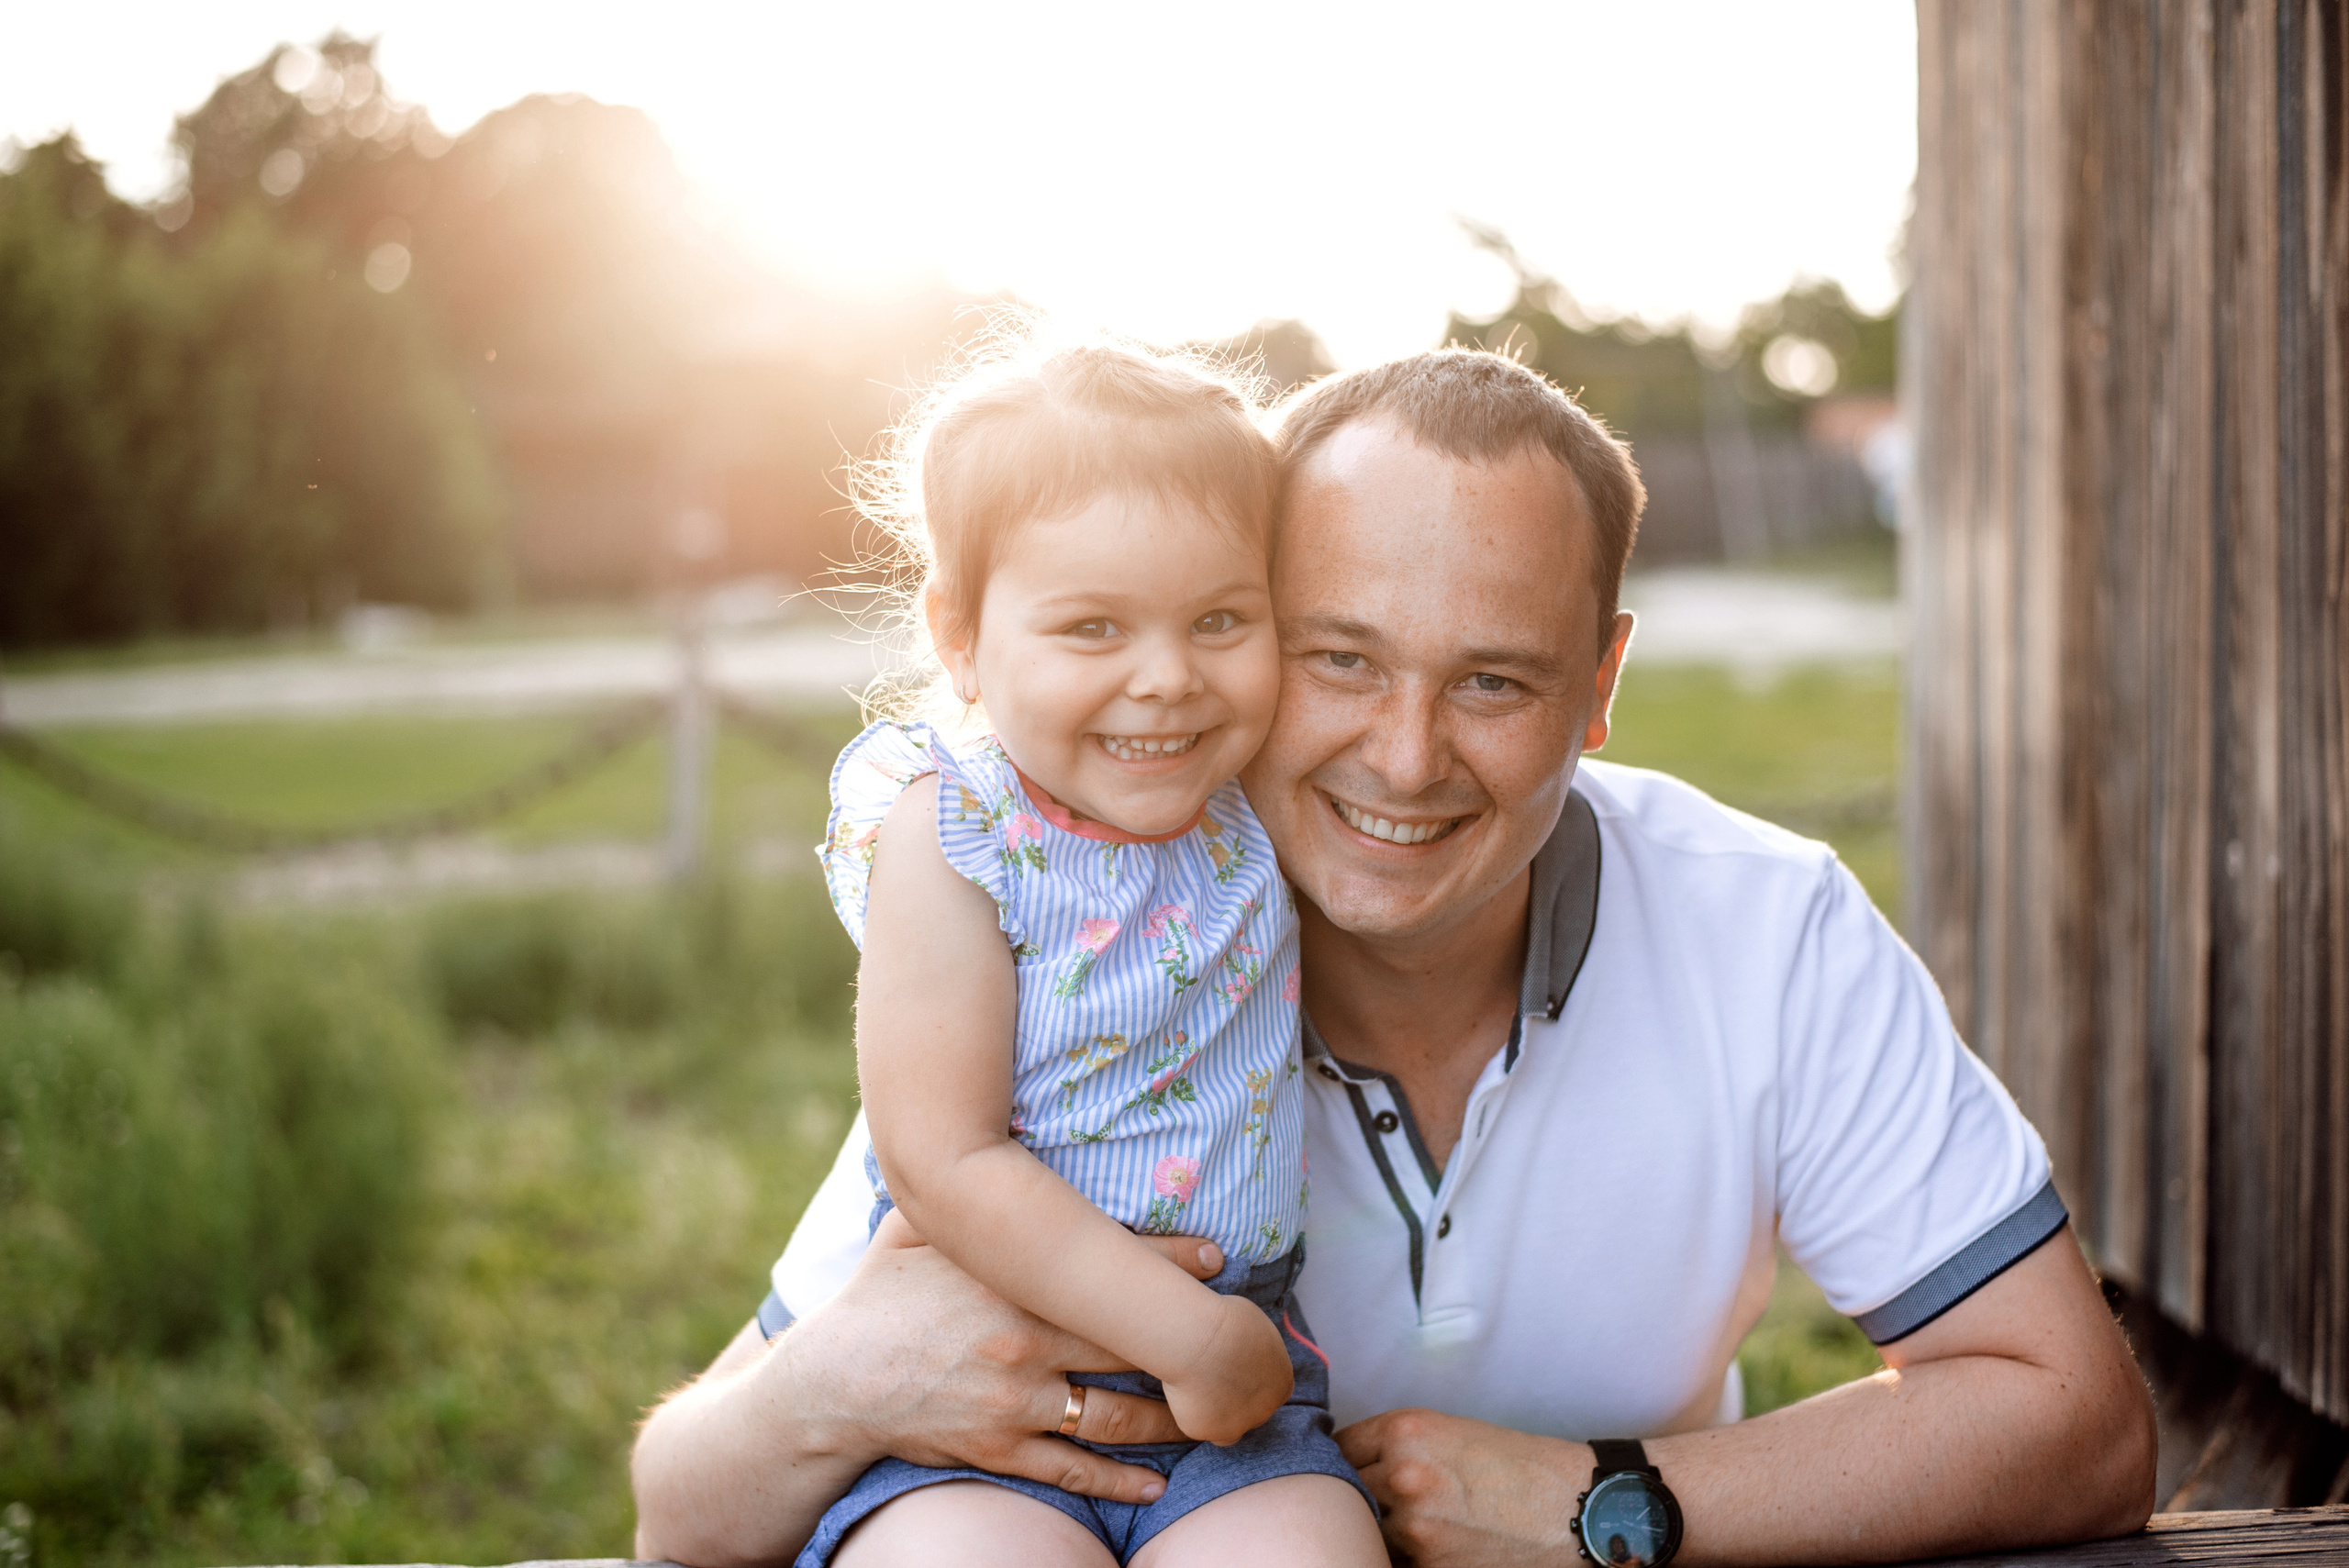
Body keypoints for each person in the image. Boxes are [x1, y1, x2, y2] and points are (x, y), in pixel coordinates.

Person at [631, 350, 2157, 1568]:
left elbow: (2081, 1426)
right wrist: (832, 1385)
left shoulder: (1769, 927)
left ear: (1602, 681)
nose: (1406, 756)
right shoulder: (1096, 933)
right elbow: (681, 1510)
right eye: (1341, 655)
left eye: (1491, 678)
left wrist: (1596, 1503)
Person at [786, 337, 1383, 1567]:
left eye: (1220, 618)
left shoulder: (1251, 794)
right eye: (1093, 626)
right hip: (985, 1383)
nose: (1166, 679)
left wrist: (1219, 1349)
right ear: (960, 637)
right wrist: (1186, 1333)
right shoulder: (951, 830)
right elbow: (943, 1154)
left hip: (1235, 1401)